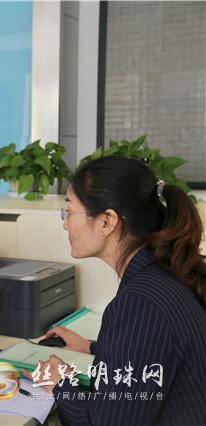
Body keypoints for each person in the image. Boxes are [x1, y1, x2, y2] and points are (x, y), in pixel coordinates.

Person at [25, 156, 206, 425]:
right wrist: (94, 347)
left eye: (69, 211)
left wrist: (60, 382)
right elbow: (154, 352)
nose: (65, 223)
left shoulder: (140, 303)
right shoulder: (165, 274)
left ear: (107, 221)